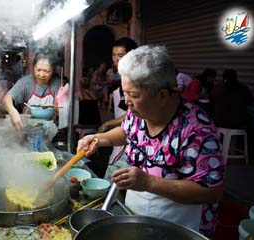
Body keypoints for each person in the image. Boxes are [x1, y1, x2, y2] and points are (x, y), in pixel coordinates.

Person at [77, 45, 224, 237]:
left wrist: (149, 183)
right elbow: (127, 131)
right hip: (136, 215)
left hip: (178, 226)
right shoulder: (140, 111)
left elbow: (211, 192)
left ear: (162, 95)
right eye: (125, 93)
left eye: (134, 95)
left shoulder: (198, 130)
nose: (127, 102)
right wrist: (98, 139)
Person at [98, 37, 138, 180]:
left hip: (132, 141)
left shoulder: (136, 81)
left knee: (115, 179)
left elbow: (133, 114)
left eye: (120, 55)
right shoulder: (120, 79)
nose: (115, 59)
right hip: (121, 135)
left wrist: (108, 124)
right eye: (114, 55)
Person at [3, 49, 60, 130]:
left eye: (47, 71)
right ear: (33, 67)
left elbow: (63, 107)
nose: (42, 74)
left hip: (51, 130)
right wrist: (13, 112)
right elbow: (7, 98)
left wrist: (57, 107)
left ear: (53, 70)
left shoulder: (57, 83)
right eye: (38, 70)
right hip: (27, 129)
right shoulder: (26, 82)